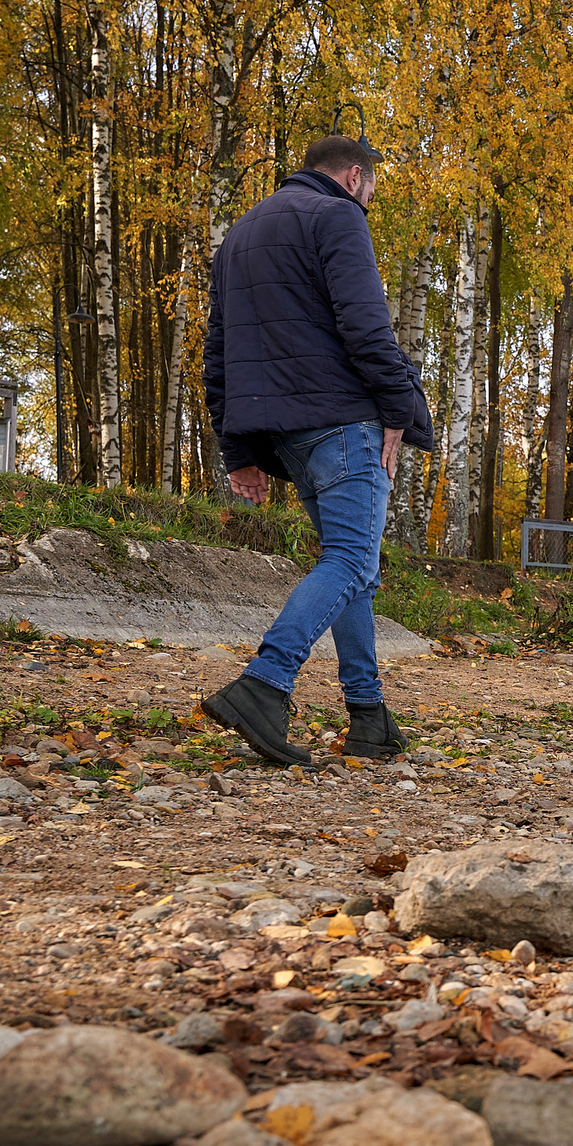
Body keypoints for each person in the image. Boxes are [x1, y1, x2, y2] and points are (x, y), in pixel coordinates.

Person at [199, 134, 434, 767]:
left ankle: (369, 716)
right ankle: (265, 683)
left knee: (353, 567)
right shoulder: (337, 216)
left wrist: (238, 448)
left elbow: (219, 350)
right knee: (352, 561)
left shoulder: (241, 234)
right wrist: (399, 409)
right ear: (355, 176)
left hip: (284, 434)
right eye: (373, 190)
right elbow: (366, 325)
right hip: (343, 421)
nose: (371, 200)